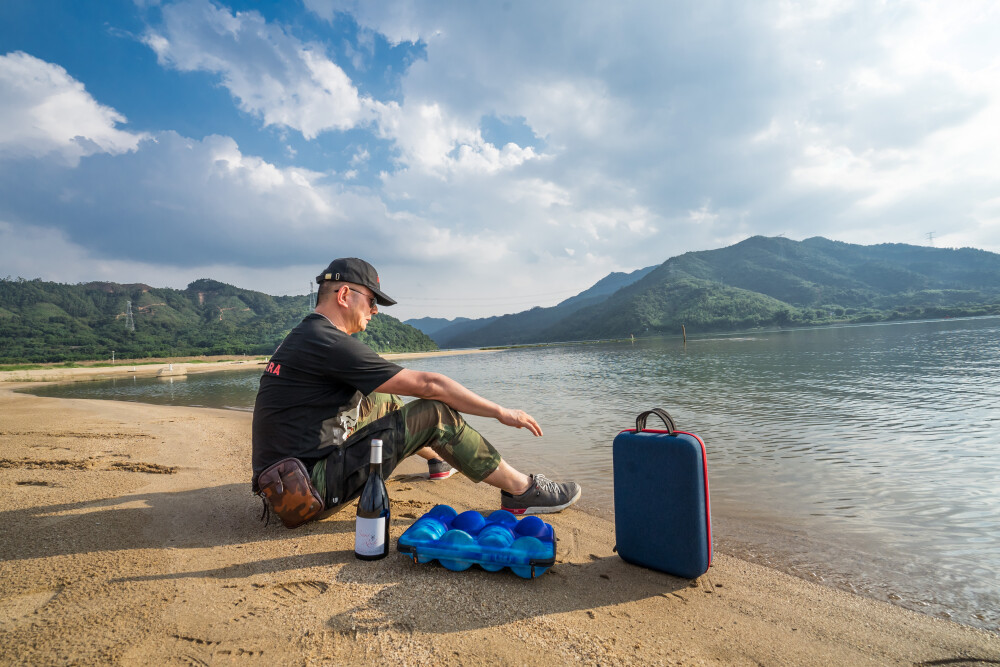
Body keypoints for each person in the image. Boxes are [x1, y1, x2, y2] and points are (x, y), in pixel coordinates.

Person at [251, 257, 581, 522]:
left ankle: (438, 460)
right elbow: (430, 385)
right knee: (433, 413)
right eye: (371, 300)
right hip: (307, 493)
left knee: (381, 396)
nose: (375, 311)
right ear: (344, 295)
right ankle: (521, 491)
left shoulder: (306, 336)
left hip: (287, 485)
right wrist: (501, 412)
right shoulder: (328, 342)